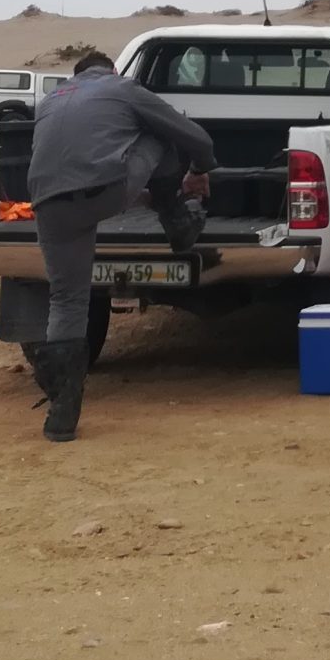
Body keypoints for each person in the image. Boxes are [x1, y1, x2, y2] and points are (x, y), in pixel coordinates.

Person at [26, 50, 217, 442]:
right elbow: (197, 138)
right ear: (112, 70)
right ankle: (178, 222)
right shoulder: (123, 88)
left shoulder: (50, 100)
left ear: (75, 75)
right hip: (105, 191)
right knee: (161, 134)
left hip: (47, 203)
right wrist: (198, 170)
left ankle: (61, 415)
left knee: (66, 299)